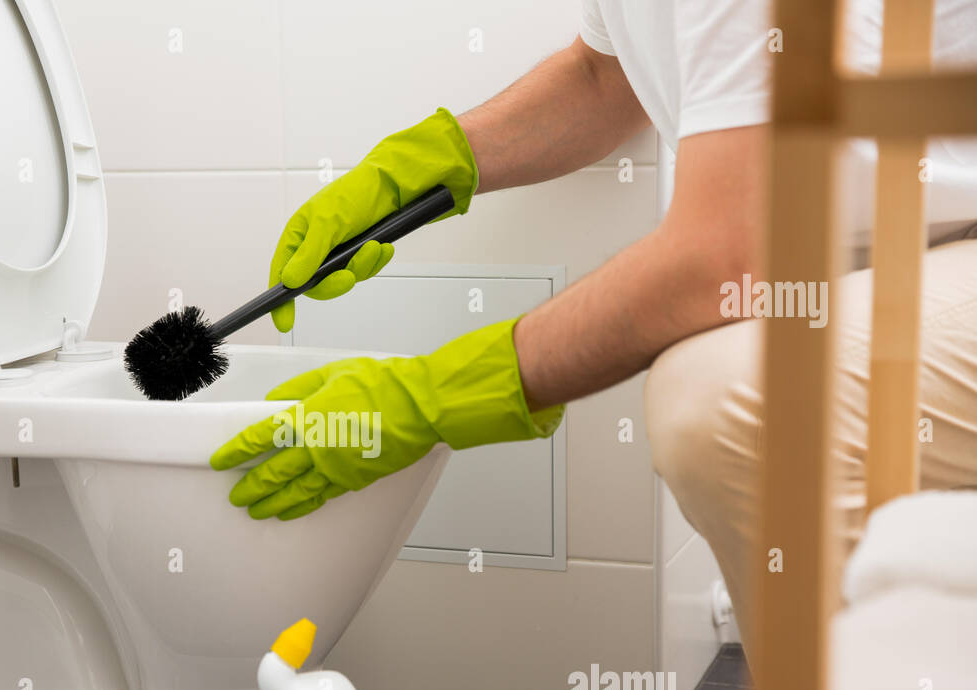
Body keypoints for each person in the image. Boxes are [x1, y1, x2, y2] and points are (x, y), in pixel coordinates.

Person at [210, 0, 977, 648]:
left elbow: (726, 258)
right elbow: (605, 77)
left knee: (729, 402)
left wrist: (432, 395)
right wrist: (422, 165)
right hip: (897, 255)